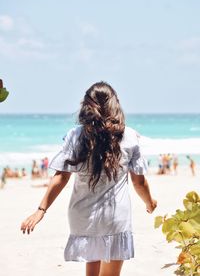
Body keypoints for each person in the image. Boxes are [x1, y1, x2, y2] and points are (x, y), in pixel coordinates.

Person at [21, 81, 157, 276]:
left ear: (86, 106)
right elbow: (139, 182)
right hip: (114, 217)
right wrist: (150, 202)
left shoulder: (76, 136)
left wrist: (41, 210)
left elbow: (61, 177)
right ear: (115, 104)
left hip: (83, 216)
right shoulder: (128, 136)